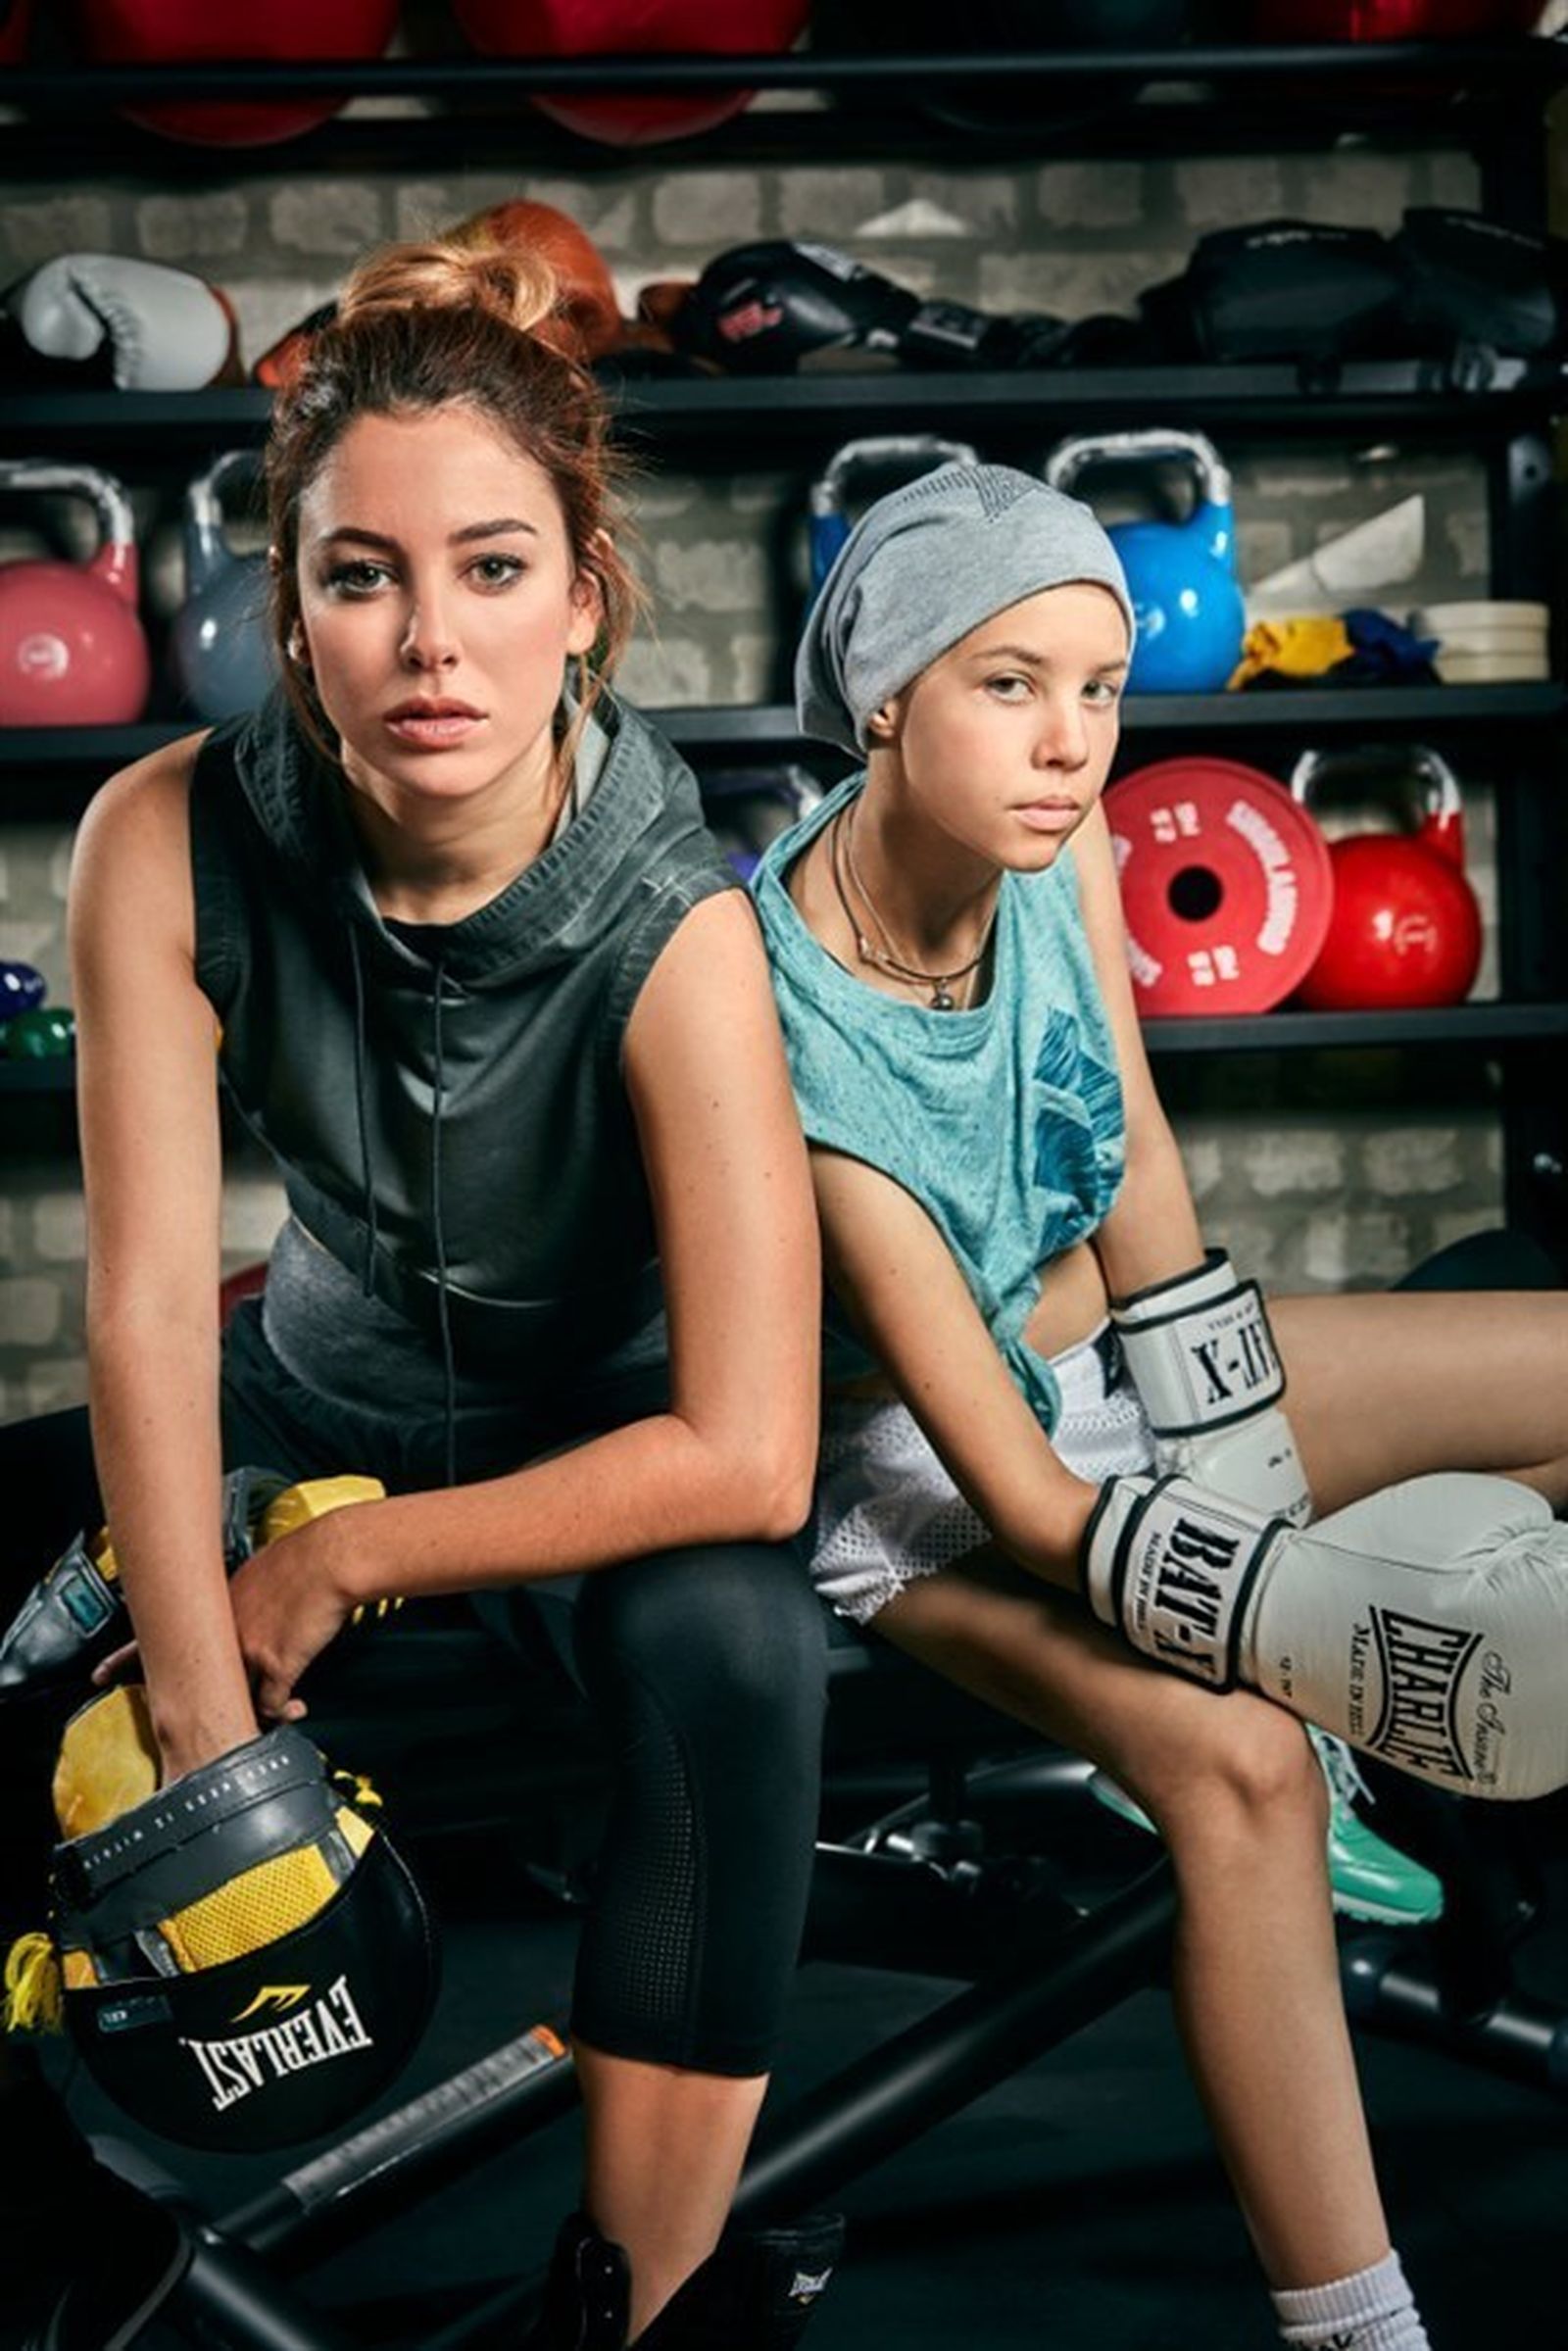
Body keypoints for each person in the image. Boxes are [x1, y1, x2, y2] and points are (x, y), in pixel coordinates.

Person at [0, 233, 836, 2351]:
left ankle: (637, 2306)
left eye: (488, 570)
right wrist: (195, 1694)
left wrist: (350, 1568)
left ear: (582, 598)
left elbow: (747, 1451)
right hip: (300, 1395)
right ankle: (47, 2227)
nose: (428, 641)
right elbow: (138, 1313)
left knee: (734, 1660)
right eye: (362, 576)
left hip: (607, 1461)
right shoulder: (159, 836)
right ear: (291, 612)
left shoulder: (681, 924)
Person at [749, 461, 1568, 2351]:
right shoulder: (780, 1012)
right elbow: (1019, 1502)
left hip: (1080, 1355)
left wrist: (1267, 1527)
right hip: (896, 1473)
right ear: (888, 696)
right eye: (1010, 685)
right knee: (1250, 1770)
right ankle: (1362, 2332)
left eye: (1100, 687)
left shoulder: (1072, 849)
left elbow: (1149, 1216)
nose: (1070, 743)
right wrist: (1300, 1646)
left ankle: (1361, 1721)